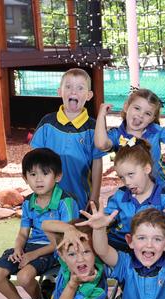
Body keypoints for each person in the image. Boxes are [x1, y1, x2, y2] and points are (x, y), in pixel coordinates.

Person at [0, 148, 79, 299]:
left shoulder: (65, 202)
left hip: (56, 249)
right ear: (25, 178)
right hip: (31, 246)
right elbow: (23, 233)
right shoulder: (29, 201)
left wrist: (31, 256)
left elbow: (63, 241)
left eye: (45, 174)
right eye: (32, 174)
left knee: (24, 276)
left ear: (58, 176)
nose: (38, 179)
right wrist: (18, 250)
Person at [30, 68, 105, 210]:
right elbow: (35, 159)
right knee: (49, 228)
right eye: (68, 86)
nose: (73, 91)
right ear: (60, 92)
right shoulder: (47, 123)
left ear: (89, 95)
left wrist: (94, 197)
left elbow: (97, 163)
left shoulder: (94, 127)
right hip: (48, 194)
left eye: (80, 88)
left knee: (77, 228)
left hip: (80, 195)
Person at [94, 88, 165, 199]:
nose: (140, 115)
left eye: (147, 113)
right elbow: (101, 144)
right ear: (126, 107)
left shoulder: (155, 131)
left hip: (163, 187)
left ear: (152, 118)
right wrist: (101, 116)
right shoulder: (117, 135)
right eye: (137, 108)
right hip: (135, 189)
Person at [103, 139, 165, 252]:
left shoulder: (163, 198)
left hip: (148, 248)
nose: (127, 182)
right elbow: (108, 216)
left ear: (147, 169)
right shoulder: (120, 195)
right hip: (119, 244)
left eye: (131, 174)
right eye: (121, 177)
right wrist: (104, 219)